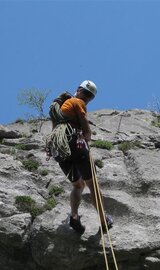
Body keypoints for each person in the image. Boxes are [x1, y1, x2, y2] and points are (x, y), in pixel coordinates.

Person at [56, 80, 113, 234]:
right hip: (76, 146)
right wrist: (87, 136)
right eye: (88, 97)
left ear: (78, 89)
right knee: (92, 184)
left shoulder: (60, 110)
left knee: (78, 185)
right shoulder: (77, 102)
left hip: (60, 151)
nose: (86, 99)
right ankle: (103, 220)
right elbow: (85, 127)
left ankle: (74, 216)